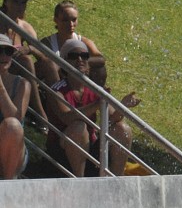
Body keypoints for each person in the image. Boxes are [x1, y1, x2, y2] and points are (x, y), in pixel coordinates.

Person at [44, 38, 139, 177]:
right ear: (64, 62)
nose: (80, 59)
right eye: (73, 56)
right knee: (79, 127)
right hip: (62, 150)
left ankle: (116, 180)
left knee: (122, 129)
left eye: (84, 56)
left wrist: (122, 106)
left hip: (88, 147)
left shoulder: (94, 89)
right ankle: (80, 180)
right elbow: (68, 118)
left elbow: (113, 118)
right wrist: (98, 103)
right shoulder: (57, 90)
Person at [1, 0, 48, 126]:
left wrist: (30, 49)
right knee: (26, 62)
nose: (20, 6)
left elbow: (44, 56)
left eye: (23, 2)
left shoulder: (24, 27)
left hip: (15, 72)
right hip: (4, 68)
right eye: (16, 1)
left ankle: (58, 107)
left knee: (49, 65)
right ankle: (42, 117)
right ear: (5, 2)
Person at [39, 0, 101, 86]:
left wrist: (80, 62)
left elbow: (101, 59)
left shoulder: (83, 41)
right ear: (55, 20)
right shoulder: (47, 43)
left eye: (74, 19)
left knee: (101, 70)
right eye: (65, 20)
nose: (71, 24)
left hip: (79, 86)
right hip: (56, 86)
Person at [0, 34, 31, 179]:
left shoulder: (22, 84)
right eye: (0, 51)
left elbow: (16, 119)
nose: (4, 56)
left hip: (12, 152)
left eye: (8, 51)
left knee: (12, 125)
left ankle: (8, 183)